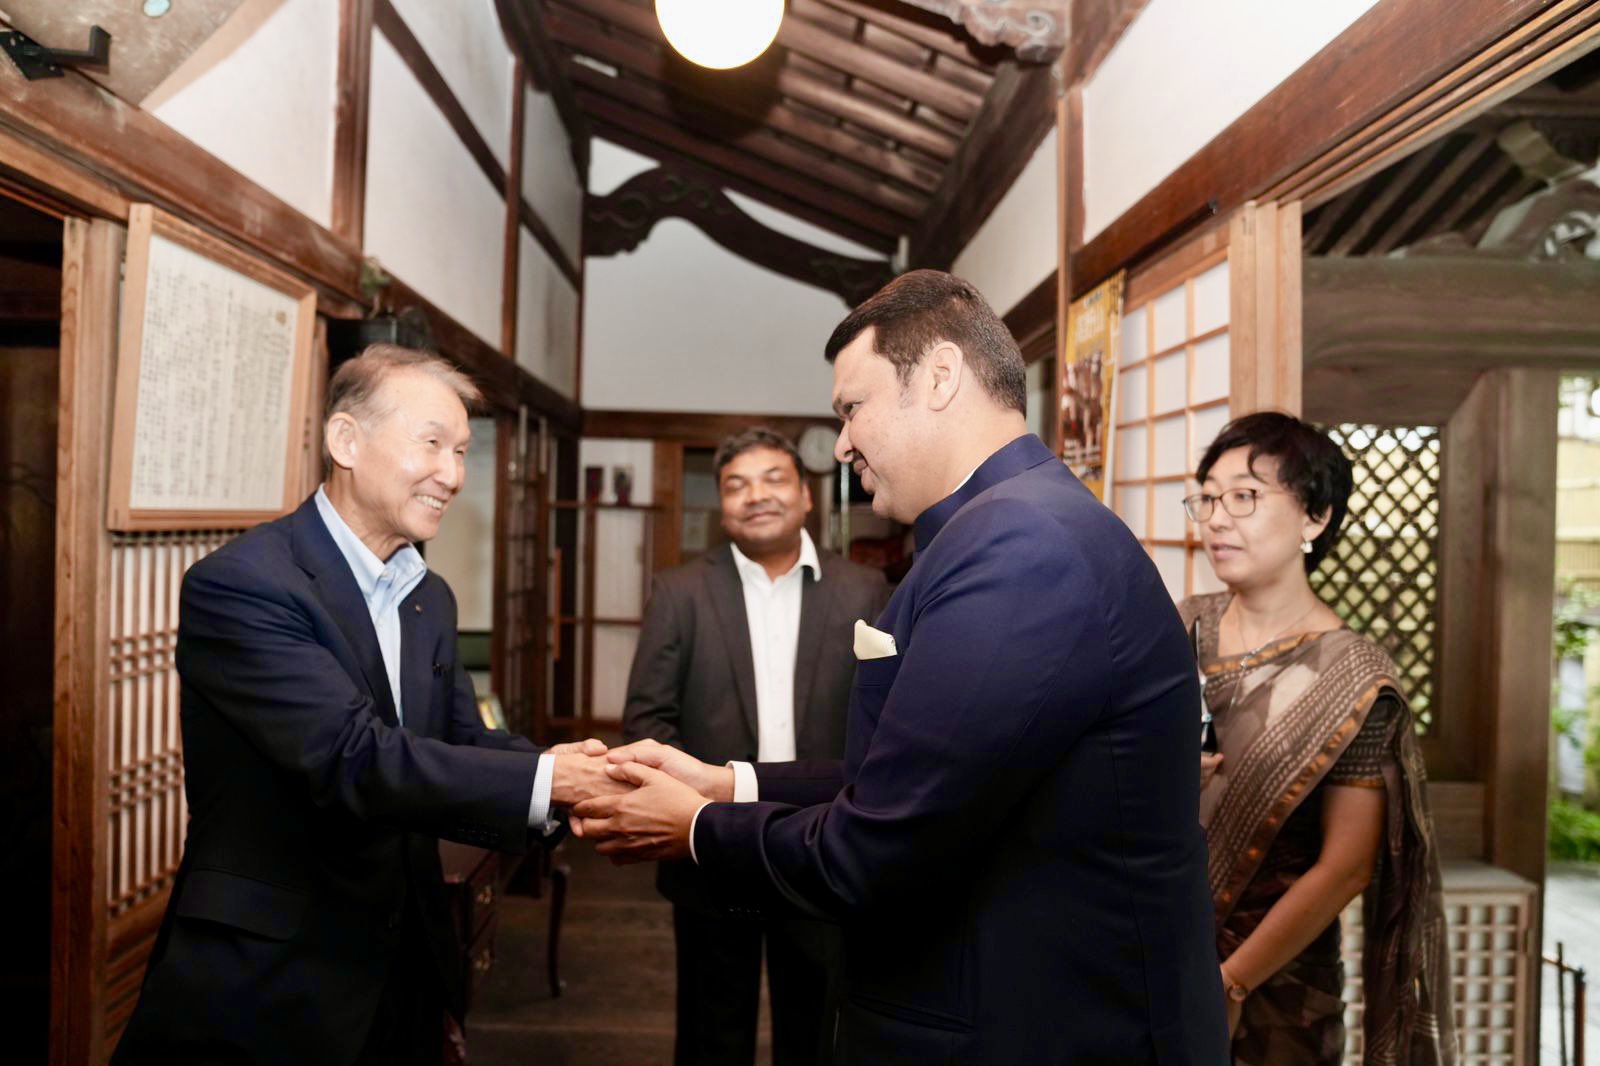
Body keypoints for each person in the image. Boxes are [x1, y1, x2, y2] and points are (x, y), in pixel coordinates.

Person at [577, 271, 1229, 1064]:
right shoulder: (999, 525)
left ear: (941, 376)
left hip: (1048, 1021)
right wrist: (728, 783)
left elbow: (876, 842)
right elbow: (919, 771)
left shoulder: (1022, 548)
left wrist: (695, 826)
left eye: (852, 407)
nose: (842, 443)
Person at [114, 345, 620, 1066]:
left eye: (461, 451)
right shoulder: (246, 584)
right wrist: (553, 781)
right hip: (273, 976)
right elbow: (352, 758)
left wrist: (573, 773)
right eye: (432, 444)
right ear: (345, 441)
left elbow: (457, 738)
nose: (453, 474)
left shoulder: (427, 595)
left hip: (404, 964)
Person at [1179, 412, 1455, 1064]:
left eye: (1244, 496)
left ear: (1315, 517)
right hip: (1163, 947)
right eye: (1207, 498)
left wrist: (1232, 981)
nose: (1216, 519)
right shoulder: (1184, 623)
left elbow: (1345, 867)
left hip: (1278, 986)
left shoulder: (1354, 676)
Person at [623, 427, 889, 1066]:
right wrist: (695, 810)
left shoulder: (865, 589)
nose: (756, 496)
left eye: (774, 479)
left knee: (818, 1028)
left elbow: (882, 723)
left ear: (806, 495)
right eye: (736, 485)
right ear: (722, 506)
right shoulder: (680, 590)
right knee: (712, 1030)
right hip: (709, 846)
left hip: (823, 842)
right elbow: (647, 721)